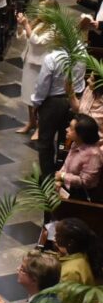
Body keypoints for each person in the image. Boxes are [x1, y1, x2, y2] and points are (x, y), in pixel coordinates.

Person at [34, 45, 87, 180]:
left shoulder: (52, 58)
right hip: (73, 101)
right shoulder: (82, 52)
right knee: (65, 139)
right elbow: (81, 82)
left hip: (53, 104)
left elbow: (42, 86)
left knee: (46, 140)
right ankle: (61, 169)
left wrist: (36, 103)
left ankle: (47, 175)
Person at [55, 114, 102, 199]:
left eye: (71, 128)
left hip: (81, 195)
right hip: (68, 187)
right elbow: (66, 165)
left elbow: (86, 182)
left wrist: (62, 176)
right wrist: (59, 180)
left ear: (81, 134)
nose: (66, 129)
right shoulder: (74, 143)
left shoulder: (94, 155)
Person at [54, 217, 103, 285]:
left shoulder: (70, 272)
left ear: (70, 242)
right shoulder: (83, 255)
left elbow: (62, 295)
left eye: (57, 235)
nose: (54, 238)